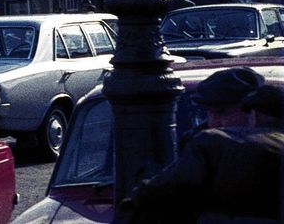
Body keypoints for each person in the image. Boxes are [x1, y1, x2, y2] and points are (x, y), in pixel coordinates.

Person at [121, 80, 283, 224]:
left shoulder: (213, 144)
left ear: (253, 114)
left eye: (222, 112)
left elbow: (155, 194)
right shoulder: (206, 143)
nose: (214, 122)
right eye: (209, 113)